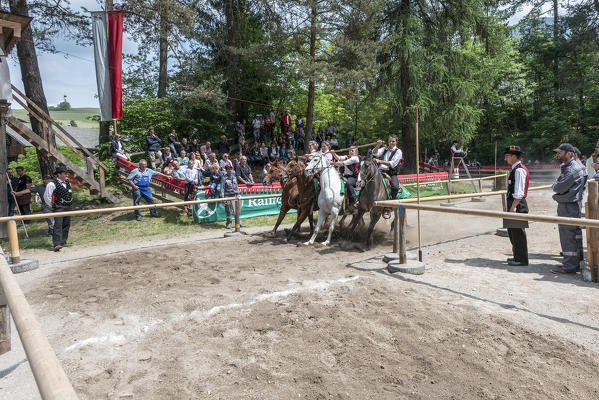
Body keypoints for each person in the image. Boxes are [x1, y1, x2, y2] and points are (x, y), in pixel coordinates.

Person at [551, 143, 587, 274]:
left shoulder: (572, 169)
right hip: (572, 204)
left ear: (569, 153)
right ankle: (576, 262)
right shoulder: (575, 167)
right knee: (575, 234)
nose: (558, 154)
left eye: (560, 152)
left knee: (567, 236)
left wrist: (556, 191)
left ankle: (569, 266)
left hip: (568, 206)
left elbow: (558, 187)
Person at [503, 146, 529, 267]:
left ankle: (521, 259)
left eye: (507, 156)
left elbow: (519, 192)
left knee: (518, 233)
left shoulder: (519, 170)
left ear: (514, 156)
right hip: (514, 205)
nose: (505, 158)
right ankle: (517, 256)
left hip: (517, 205)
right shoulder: (516, 169)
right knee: (513, 232)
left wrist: (513, 207)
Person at [44, 166, 73, 251]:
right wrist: (53, 206)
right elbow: (47, 197)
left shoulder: (68, 183)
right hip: (59, 207)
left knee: (66, 224)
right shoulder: (51, 184)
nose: (66, 175)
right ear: (59, 174)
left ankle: (63, 241)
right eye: (64, 173)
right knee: (58, 225)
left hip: (68, 207)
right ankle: (56, 244)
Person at [373, 135, 403, 199]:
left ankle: (391, 201)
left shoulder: (398, 151)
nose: (391, 143)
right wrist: (378, 145)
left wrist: (379, 161)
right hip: (380, 171)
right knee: (367, 181)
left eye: (393, 141)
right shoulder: (384, 149)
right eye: (390, 141)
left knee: (395, 187)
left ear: (396, 142)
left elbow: (392, 164)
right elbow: (374, 153)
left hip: (391, 173)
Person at [333, 146, 360, 212]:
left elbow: (342, 163)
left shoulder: (355, 158)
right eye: (349, 150)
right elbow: (338, 158)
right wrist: (333, 153)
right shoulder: (347, 157)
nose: (350, 152)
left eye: (352, 151)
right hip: (346, 176)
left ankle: (354, 200)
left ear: (356, 152)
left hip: (354, 177)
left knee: (348, 183)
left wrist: (332, 163)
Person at [220, 164, 241, 229]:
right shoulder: (224, 178)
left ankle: (238, 222)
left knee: (237, 210)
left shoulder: (234, 177)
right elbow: (222, 189)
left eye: (231, 169)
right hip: (227, 196)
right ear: (226, 170)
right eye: (228, 169)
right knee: (228, 210)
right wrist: (223, 198)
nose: (230, 170)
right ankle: (229, 223)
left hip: (234, 195)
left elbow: (236, 186)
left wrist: (238, 194)